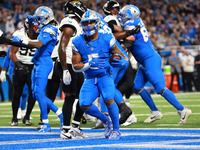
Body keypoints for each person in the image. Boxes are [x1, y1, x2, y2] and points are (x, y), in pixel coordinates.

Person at [119, 5, 192, 125]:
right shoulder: (137, 21)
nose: (122, 18)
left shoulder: (131, 25)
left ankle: (182, 110)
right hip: (146, 60)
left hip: (150, 60)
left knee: (160, 88)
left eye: (124, 16)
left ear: (131, 17)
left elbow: (127, 42)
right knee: (137, 86)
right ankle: (154, 111)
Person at [72, 10, 129, 140]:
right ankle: (106, 120)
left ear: (97, 23)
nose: (88, 25)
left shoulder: (106, 38)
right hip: (90, 77)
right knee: (84, 104)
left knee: (109, 99)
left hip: (104, 75)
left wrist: (120, 61)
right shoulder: (77, 41)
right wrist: (88, 65)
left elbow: (121, 56)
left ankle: (116, 130)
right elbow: (75, 66)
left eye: (91, 22)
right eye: (85, 23)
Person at [20, 6, 63, 133]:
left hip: (44, 62)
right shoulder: (45, 27)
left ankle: (45, 123)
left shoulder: (51, 29)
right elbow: (35, 35)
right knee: (35, 94)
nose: (38, 21)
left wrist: (24, 41)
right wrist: (33, 22)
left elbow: (38, 44)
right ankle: (60, 114)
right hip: (38, 61)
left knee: (39, 93)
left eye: (40, 19)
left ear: (46, 18)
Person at [58, 0, 87, 139]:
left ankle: (75, 126)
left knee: (84, 95)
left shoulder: (78, 24)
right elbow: (62, 46)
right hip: (67, 63)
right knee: (69, 97)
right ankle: (65, 129)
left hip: (75, 64)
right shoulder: (69, 22)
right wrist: (64, 69)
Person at [9, 19, 36, 126]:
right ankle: (14, 117)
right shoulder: (19, 34)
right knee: (17, 94)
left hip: (33, 66)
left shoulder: (41, 35)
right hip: (20, 66)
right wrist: (19, 65)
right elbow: (12, 53)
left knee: (33, 94)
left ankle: (27, 116)